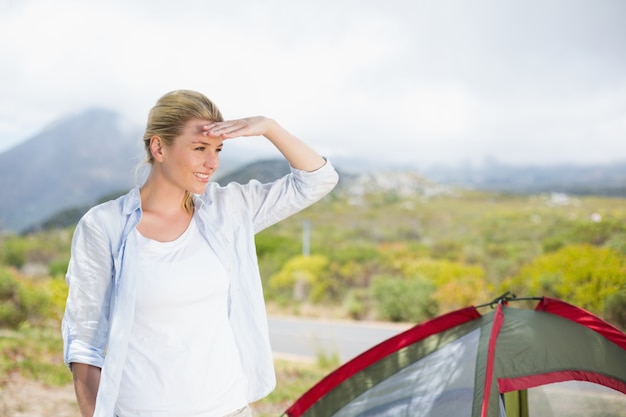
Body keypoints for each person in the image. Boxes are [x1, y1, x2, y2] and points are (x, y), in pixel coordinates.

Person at [62, 89, 339, 417]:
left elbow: (318, 180)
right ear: (159, 147)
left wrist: (268, 127)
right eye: (200, 148)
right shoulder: (104, 226)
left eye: (218, 149)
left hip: (228, 409)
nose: (213, 162)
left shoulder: (228, 212)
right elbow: (84, 339)